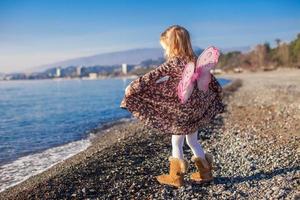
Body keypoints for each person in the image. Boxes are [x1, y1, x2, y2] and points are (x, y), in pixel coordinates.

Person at [120, 25, 224, 188]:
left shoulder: (174, 62)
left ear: (173, 45)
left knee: (176, 142)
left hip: (181, 111)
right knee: (193, 141)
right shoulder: (196, 61)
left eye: (166, 46)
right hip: (195, 110)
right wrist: (215, 96)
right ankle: (205, 173)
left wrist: (131, 88)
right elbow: (212, 82)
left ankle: (176, 177)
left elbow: (151, 77)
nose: (165, 50)